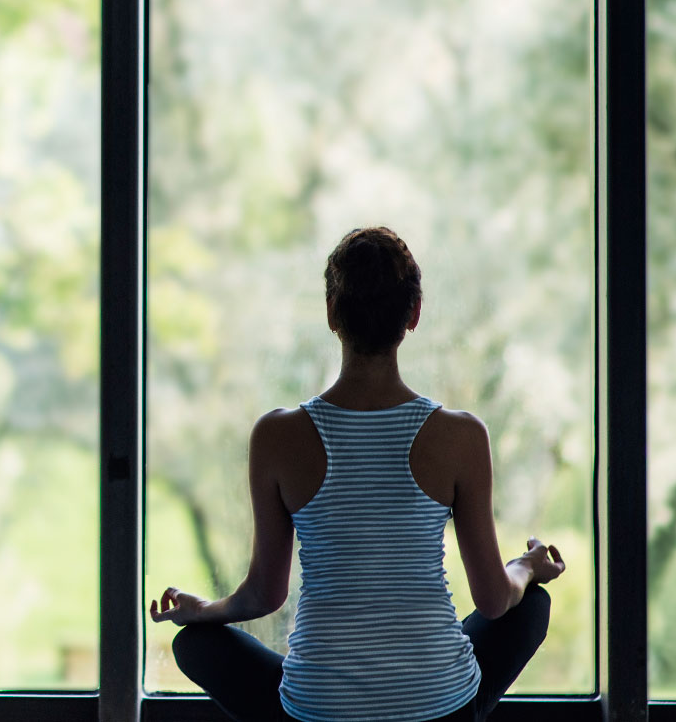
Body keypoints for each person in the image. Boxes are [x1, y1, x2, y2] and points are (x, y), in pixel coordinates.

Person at [149, 226, 565, 722]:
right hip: (438, 712)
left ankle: (327, 682)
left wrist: (204, 610)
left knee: (195, 645)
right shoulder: (461, 435)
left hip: (318, 713)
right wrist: (527, 566)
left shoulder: (276, 436)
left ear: (331, 312)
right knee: (531, 606)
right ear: (413, 316)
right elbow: (495, 602)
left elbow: (265, 594)